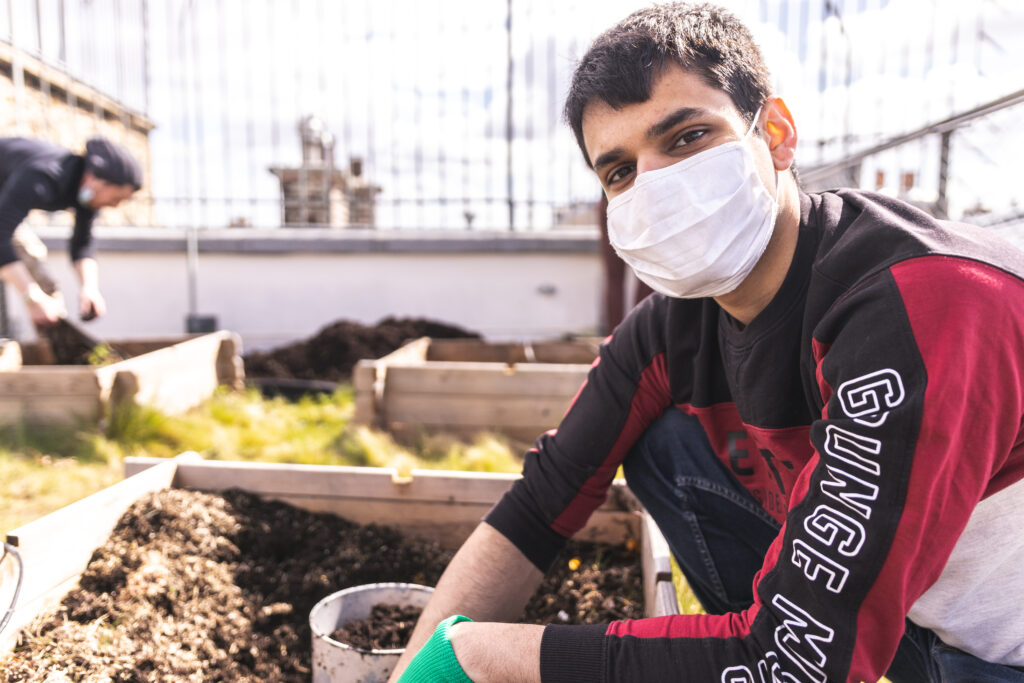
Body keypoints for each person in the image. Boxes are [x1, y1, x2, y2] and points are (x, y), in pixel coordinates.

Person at [391, 3, 1024, 682]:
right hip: (899, 611)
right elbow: (542, 502)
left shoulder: (923, 302)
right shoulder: (674, 325)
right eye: (619, 171)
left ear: (776, 134)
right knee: (664, 442)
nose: (656, 186)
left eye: (687, 137)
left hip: (995, 654)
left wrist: (479, 656)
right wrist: (417, 669)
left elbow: (794, 664)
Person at [0, 136, 142, 328]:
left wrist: (89, 289)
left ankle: (57, 335)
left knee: (40, 277)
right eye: (117, 198)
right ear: (94, 180)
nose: (115, 206)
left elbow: (82, 244)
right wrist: (31, 297)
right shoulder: (42, 175)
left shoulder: (86, 195)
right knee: (28, 278)